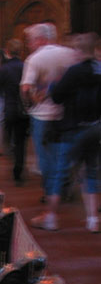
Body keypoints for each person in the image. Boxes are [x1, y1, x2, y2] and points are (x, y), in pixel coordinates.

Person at [20, 22, 78, 231]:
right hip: (67, 115)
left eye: (30, 40)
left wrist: (30, 105)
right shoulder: (71, 54)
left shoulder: (35, 59)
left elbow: (26, 88)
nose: (29, 44)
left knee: (45, 159)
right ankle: (65, 189)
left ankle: (50, 198)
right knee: (64, 155)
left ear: (40, 39)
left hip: (42, 116)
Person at [50, 32, 101, 233]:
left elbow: (56, 96)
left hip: (74, 127)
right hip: (96, 126)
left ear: (79, 50)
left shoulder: (74, 71)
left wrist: (55, 82)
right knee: (91, 172)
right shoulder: (99, 69)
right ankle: (93, 219)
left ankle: (51, 217)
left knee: (60, 171)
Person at [0, 38, 29, 183]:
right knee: (21, 141)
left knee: (9, 138)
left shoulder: (3, 69)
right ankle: (19, 167)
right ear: (20, 51)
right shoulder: (25, 66)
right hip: (24, 109)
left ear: (7, 51)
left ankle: (13, 161)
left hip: (9, 108)